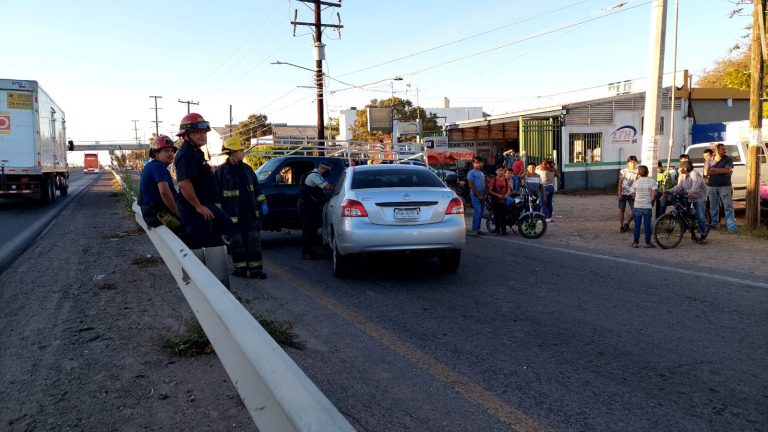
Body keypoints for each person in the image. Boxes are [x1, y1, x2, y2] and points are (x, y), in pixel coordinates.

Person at [174, 112, 233, 249]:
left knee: (226, 228)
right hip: (195, 210)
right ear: (186, 135)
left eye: (205, 132)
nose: (203, 135)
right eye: (197, 132)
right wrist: (198, 206)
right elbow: (184, 183)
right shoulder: (186, 154)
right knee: (202, 247)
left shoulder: (196, 152)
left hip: (206, 205)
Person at [214, 137, 268, 279]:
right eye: (240, 150)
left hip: (250, 213)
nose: (243, 153)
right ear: (232, 153)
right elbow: (216, 194)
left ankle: (256, 270)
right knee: (237, 242)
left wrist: (263, 202)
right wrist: (219, 215)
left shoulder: (247, 169)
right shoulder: (221, 171)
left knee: (253, 241)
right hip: (231, 215)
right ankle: (241, 270)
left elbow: (256, 188)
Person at [138, 135, 182, 231]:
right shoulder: (158, 167)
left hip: (152, 214)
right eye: (166, 151)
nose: (171, 154)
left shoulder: (152, 166)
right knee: (192, 227)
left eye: (172, 151)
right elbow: (164, 192)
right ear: (156, 154)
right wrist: (177, 213)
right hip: (159, 215)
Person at [667, 160, 709, 243]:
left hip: (699, 198)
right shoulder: (683, 175)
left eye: (681, 168)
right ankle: (692, 233)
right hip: (689, 197)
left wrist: (686, 192)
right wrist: (669, 191)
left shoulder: (695, 174)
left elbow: (695, 188)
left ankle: (703, 235)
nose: (679, 169)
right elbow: (679, 186)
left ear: (685, 169)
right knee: (687, 216)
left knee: (700, 217)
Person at [300, 161, 334, 259]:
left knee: (312, 229)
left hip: (310, 206)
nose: (327, 173)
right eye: (327, 171)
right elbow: (328, 187)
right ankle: (307, 253)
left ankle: (311, 251)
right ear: (323, 168)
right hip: (308, 207)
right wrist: (337, 190)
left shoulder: (315, 175)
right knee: (308, 230)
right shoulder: (314, 176)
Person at [707, 143, 736, 232]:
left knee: (728, 206)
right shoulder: (709, 160)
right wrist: (722, 171)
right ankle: (714, 224)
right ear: (717, 150)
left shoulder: (728, 159)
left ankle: (731, 226)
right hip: (712, 186)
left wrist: (714, 169)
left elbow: (727, 170)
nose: (725, 151)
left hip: (725, 186)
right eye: (722, 149)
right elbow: (707, 173)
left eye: (725, 149)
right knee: (713, 206)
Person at [630, 165, 657, 248]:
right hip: (647, 206)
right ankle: (647, 243)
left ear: (639, 173)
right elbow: (654, 194)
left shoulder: (636, 182)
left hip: (637, 206)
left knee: (637, 225)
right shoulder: (652, 181)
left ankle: (635, 242)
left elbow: (633, 195)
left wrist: (637, 200)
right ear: (648, 172)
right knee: (647, 225)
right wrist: (652, 201)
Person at [617, 155, 639, 233]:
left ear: (636, 163)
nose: (632, 164)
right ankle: (621, 226)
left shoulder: (638, 172)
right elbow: (620, 182)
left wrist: (635, 192)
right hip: (623, 193)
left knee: (635, 210)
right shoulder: (623, 171)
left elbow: (638, 183)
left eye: (634, 162)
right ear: (628, 163)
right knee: (621, 210)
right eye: (631, 162)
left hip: (632, 194)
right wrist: (619, 193)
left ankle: (627, 223)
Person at [466, 157, 487, 236]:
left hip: (482, 195)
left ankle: (478, 229)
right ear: (473, 164)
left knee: (481, 212)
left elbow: (484, 184)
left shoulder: (481, 173)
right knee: (477, 212)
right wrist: (479, 195)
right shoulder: (471, 173)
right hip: (475, 195)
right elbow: (471, 185)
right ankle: (475, 230)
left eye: (479, 162)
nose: (478, 164)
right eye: (476, 162)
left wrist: (485, 194)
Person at [488, 166, 511, 235]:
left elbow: (508, 190)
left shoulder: (506, 180)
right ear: (496, 171)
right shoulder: (493, 180)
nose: (500, 172)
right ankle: (497, 230)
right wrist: (498, 195)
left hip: (503, 201)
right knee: (496, 216)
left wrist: (506, 195)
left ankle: (504, 231)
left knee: (503, 217)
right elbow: (490, 190)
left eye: (502, 170)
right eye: (499, 170)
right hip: (495, 201)